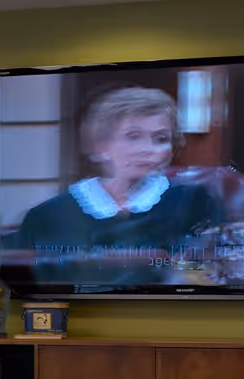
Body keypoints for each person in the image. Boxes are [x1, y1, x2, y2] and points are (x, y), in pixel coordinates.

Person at [16, 86, 220, 285]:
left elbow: (212, 275)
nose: (147, 149)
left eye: (160, 139)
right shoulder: (46, 216)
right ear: (100, 145)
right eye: (133, 136)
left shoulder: (196, 202)